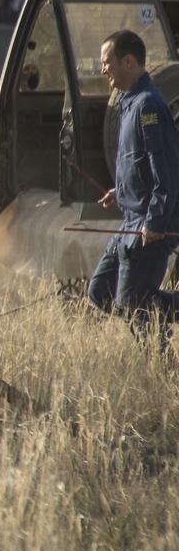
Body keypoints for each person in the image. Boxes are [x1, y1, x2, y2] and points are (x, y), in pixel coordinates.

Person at [87, 29, 179, 339]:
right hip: (129, 222)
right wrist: (121, 191)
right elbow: (137, 163)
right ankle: (142, 310)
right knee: (100, 292)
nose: (103, 70)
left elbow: (166, 173)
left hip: (149, 228)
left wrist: (154, 221)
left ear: (128, 61)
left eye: (107, 62)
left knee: (136, 306)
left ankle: (164, 369)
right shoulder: (128, 104)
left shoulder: (148, 106)